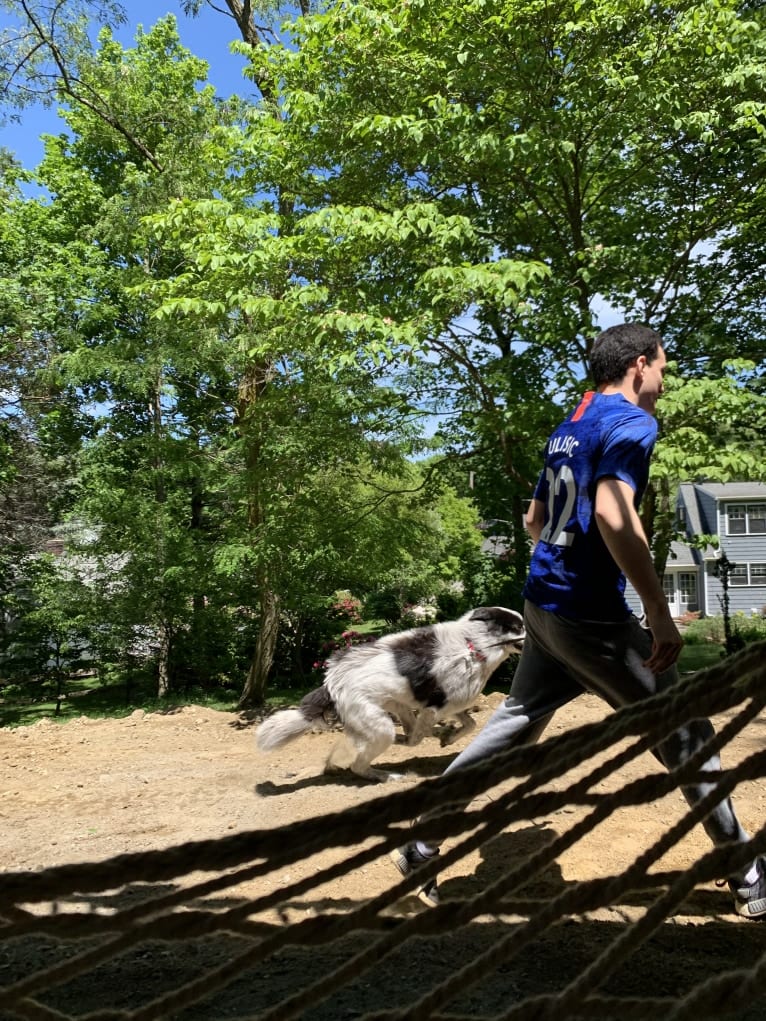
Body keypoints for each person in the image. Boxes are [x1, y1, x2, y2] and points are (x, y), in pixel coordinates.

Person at [391, 323, 765, 919]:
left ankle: (421, 840)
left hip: (543, 606)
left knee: (513, 723)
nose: (664, 383)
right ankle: (748, 874)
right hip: (590, 618)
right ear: (639, 364)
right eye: (663, 369)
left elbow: (535, 521)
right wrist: (661, 617)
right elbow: (616, 513)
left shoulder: (569, 429)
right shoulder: (632, 423)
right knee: (686, 735)